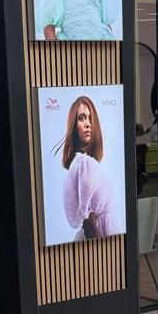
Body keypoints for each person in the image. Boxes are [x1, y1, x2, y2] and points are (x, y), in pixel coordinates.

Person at [57, 95, 121, 239]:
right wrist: (103, 249)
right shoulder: (84, 164)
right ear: (73, 126)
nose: (88, 124)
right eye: (82, 118)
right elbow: (89, 223)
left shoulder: (81, 163)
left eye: (90, 118)